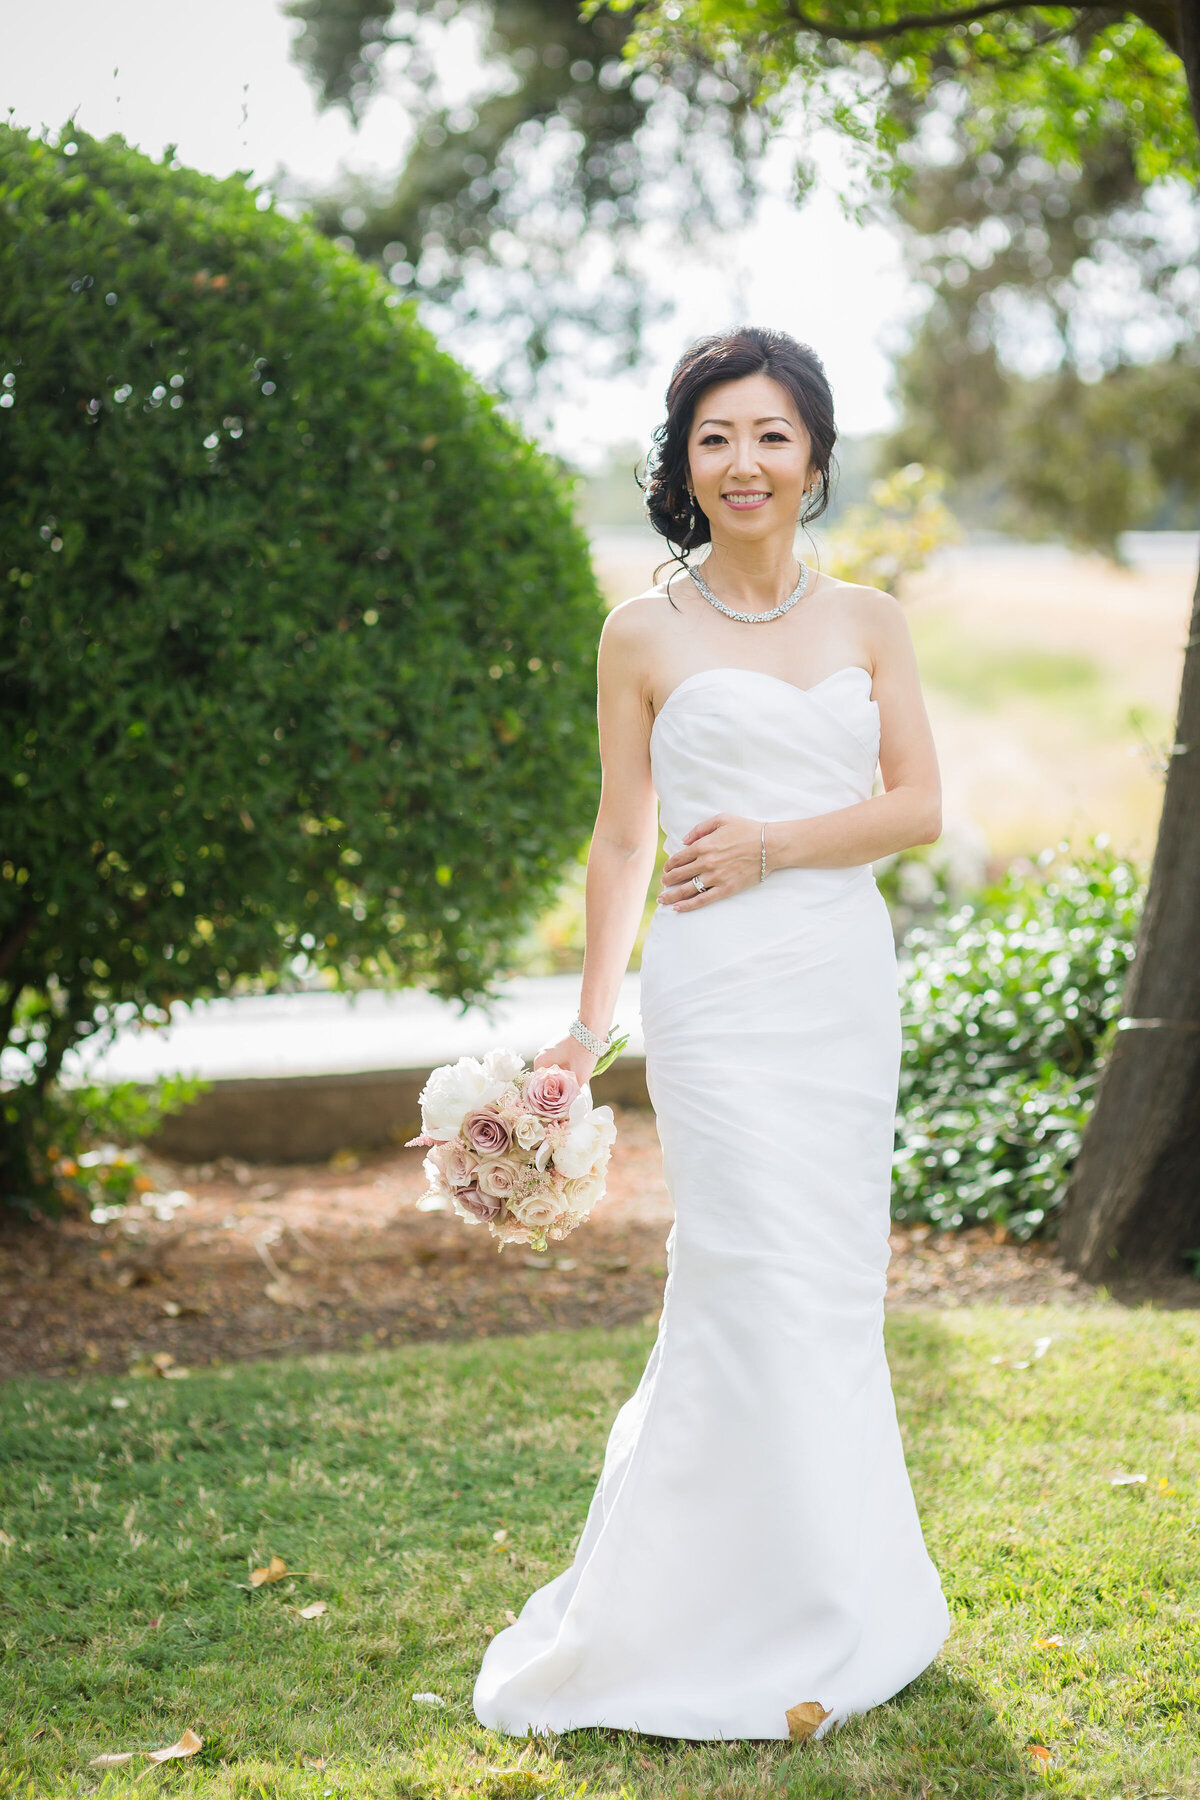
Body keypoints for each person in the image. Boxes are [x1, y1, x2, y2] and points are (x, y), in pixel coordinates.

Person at [472, 326, 951, 1742]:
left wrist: (776, 847)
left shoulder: (870, 620)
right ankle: (682, 1616)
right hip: (718, 999)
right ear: (686, 461)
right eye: (716, 437)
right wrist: (584, 1025)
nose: (745, 463)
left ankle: (841, 1593)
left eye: (772, 436)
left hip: (839, 987)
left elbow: (917, 806)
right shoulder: (641, 630)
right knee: (742, 1275)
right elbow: (624, 839)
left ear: (812, 459)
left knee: (830, 1282)